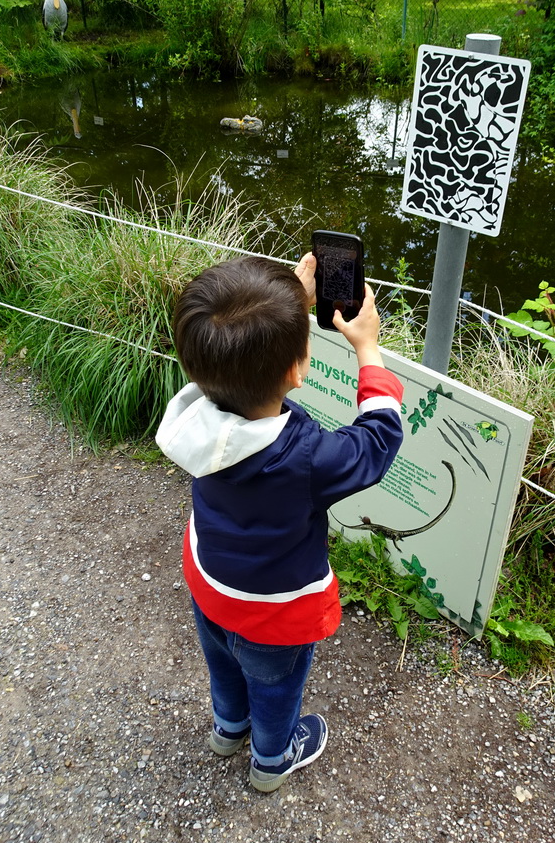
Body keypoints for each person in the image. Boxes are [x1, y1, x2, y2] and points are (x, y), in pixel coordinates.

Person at [156, 253, 404, 792]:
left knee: (223, 665)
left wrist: (286, 301)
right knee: (276, 686)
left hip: (210, 583)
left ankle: (228, 729)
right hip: (274, 612)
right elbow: (378, 441)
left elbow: (230, 355)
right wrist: (367, 348)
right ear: (297, 370)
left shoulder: (195, 414)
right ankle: (272, 758)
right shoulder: (307, 458)